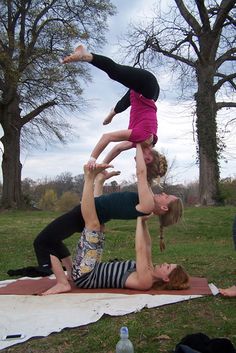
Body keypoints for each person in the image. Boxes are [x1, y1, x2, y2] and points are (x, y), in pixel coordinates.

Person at [33, 144, 183, 277]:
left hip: (85, 212)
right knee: (53, 239)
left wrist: (139, 143)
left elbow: (141, 174)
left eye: (167, 196)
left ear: (164, 207)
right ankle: (70, 272)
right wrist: (101, 180)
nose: (163, 193)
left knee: (41, 241)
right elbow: (144, 174)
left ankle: (45, 268)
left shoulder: (148, 204)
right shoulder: (148, 203)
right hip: (90, 212)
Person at [42, 163, 189, 295]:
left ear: (165, 278)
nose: (165, 263)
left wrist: (139, 220)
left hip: (86, 276)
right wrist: (143, 223)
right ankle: (96, 180)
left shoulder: (146, 281)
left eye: (168, 267)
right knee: (97, 224)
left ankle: (89, 178)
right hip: (91, 268)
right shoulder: (149, 269)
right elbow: (147, 245)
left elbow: (140, 249)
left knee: (92, 225)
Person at [62, 45, 167, 185]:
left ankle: (113, 112)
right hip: (147, 85)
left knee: (124, 103)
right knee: (116, 73)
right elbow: (107, 137)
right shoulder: (142, 136)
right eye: (145, 161)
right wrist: (92, 160)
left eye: (138, 166)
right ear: (150, 155)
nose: (138, 162)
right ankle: (86, 55)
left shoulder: (139, 143)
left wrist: (102, 166)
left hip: (143, 95)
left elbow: (117, 148)